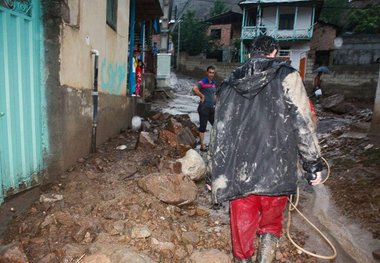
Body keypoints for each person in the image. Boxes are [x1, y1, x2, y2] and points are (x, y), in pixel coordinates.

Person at [209, 36, 323, 263]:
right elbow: (302, 123)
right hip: (276, 169)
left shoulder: (229, 82)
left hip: (238, 171)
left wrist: (214, 173)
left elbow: (219, 133)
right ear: (274, 53)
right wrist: (313, 164)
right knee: (271, 223)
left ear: (250, 54)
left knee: (241, 229)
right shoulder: (288, 75)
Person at [192, 65, 217, 152]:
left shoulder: (213, 83)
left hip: (211, 108)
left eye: (213, 73)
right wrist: (202, 95)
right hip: (203, 108)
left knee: (216, 125)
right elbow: (194, 89)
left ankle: (212, 144)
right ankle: (202, 146)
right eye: (210, 72)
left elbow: (214, 95)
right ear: (207, 73)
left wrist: (216, 102)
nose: (211, 74)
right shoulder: (203, 81)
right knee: (203, 127)